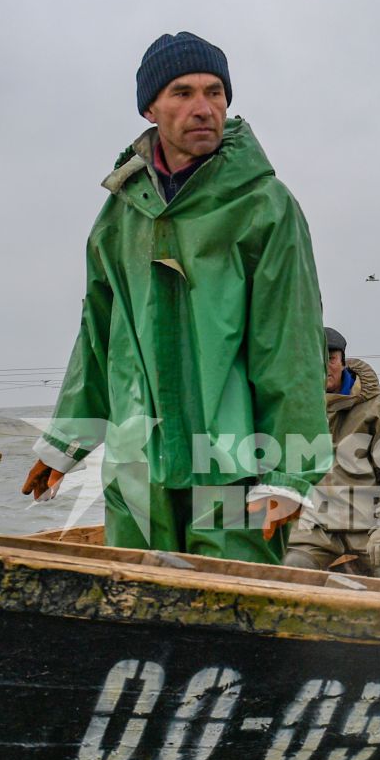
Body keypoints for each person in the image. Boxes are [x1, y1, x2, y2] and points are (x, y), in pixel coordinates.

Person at [21, 32, 329, 562]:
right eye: (182, 93)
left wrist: (287, 473)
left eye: (215, 92)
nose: (203, 108)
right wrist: (66, 441)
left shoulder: (263, 206)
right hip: (137, 462)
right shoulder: (120, 215)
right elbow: (98, 335)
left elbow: (291, 345)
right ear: (150, 108)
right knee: (139, 608)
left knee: (236, 609)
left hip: (233, 463)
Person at [283, 327, 380, 572]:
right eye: (317, 358)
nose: (325, 366)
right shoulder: (290, 407)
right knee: (292, 570)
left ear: (343, 362)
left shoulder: (375, 407)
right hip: (312, 529)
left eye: (331, 359)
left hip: (366, 527)